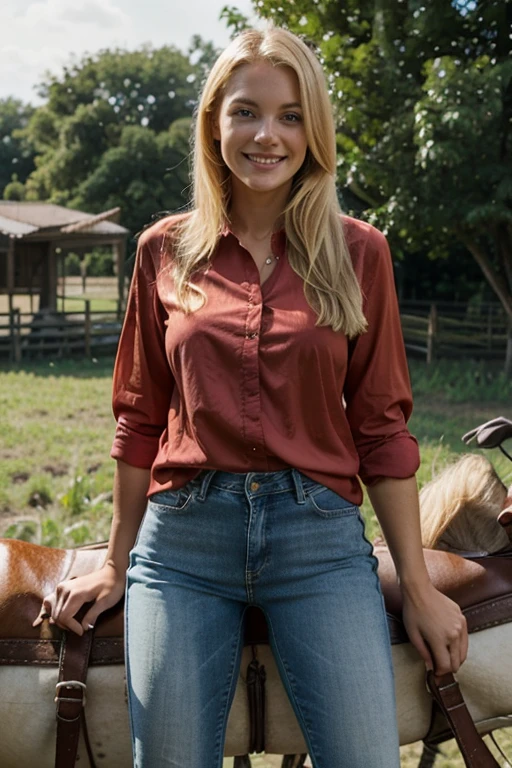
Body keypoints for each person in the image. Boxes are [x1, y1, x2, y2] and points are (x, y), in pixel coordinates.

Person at [36, 25, 468, 768]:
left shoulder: (360, 252)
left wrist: (420, 587)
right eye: (246, 111)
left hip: (320, 543)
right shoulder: (161, 251)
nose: (267, 135)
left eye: (291, 115)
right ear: (214, 122)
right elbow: (139, 416)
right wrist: (114, 559)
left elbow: (382, 429)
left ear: (314, 131)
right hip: (182, 545)